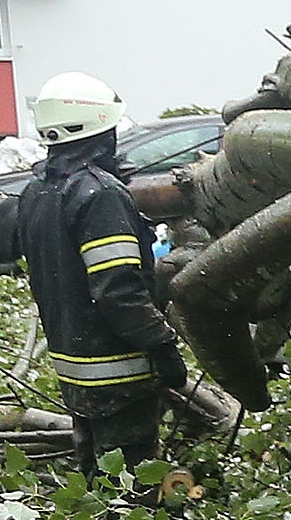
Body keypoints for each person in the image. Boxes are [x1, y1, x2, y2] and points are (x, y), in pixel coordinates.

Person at [14, 71, 197, 468]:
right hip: (119, 374)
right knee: (132, 491)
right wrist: (162, 345)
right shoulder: (100, 195)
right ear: (101, 129)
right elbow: (117, 289)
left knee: (97, 484)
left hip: (74, 369)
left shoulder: (37, 192)